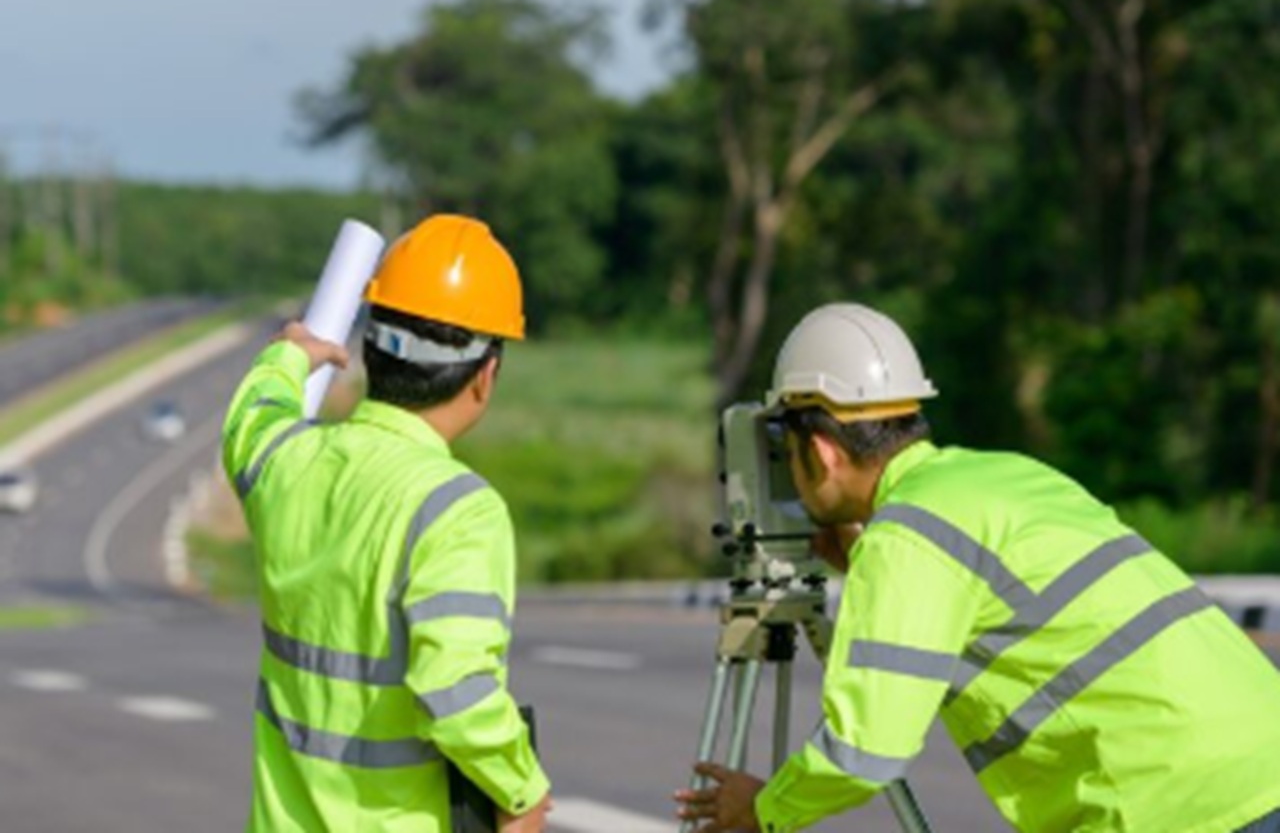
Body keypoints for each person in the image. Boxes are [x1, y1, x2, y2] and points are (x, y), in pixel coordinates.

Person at [676, 303, 1280, 833]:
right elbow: (1000, 591)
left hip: (1176, 808)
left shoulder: (906, 541)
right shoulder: (1003, 474)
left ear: (822, 451)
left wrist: (764, 808)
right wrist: (866, 554)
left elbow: (865, 753)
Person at [222, 214, 551, 832]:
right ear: (486, 375)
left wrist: (287, 357)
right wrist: (521, 789)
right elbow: (455, 692)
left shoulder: (287, 462)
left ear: (368, 349)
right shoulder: (457, 510)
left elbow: (250, 421)